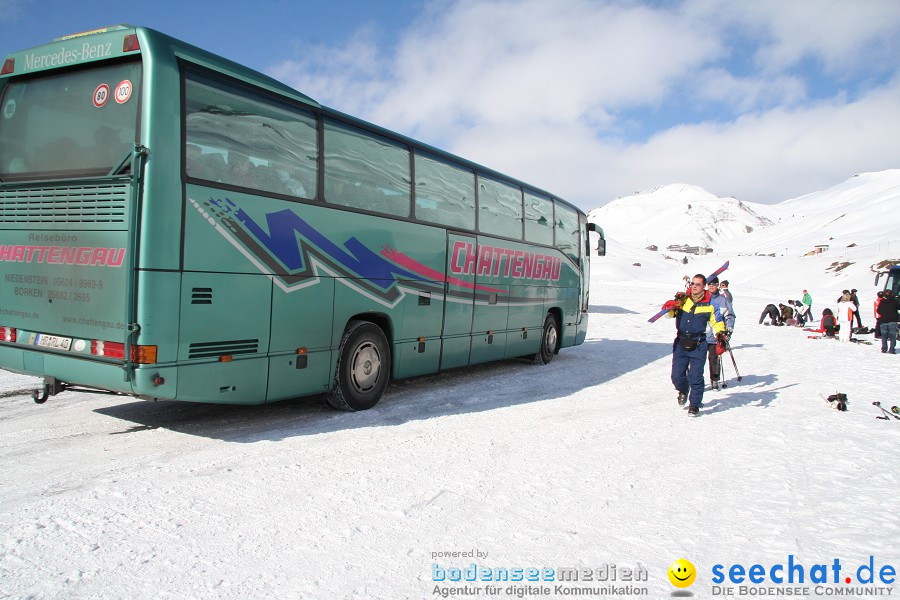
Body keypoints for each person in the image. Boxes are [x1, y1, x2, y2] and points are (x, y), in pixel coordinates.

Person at [661, 274, 726, 417]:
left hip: (698, 343)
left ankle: (694, 404)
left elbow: (717, 321)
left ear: (704, 286)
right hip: (681, 342)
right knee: (677, 377)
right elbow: (670, 314)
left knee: (696, 376)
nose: (694, 286)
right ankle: (683, 389)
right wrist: (669, 307)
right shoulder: (684, 300)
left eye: (697, 284)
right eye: (693, 284)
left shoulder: (710, 304)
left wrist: (721, 334)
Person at [704, 277, 735, 390]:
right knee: (697, 359)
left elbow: (730, 316)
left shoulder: (723, 300)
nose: (711, 286)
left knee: (714, 358)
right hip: (702, 335)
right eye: (709, 284)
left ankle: (715, 380)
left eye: (714, 284)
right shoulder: (702, 298)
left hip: (716, 335)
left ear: (718, 285)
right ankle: (695, 381)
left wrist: (729, 329)